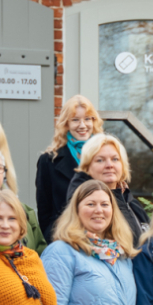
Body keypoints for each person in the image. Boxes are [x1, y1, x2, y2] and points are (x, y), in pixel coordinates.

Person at [35, 95, 99, 239]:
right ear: (66, 124)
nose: (82, 125)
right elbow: (44, 210)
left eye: (87, 119)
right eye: (75, 120)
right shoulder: (49, 160)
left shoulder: (105, 158)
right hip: (64, 237)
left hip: (101, 236)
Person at [66, 133, 150, 241]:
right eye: (100, 160)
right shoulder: (83, 206)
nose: (109, 165)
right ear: (87, 167)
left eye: (115, 159)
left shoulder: (129, 200)